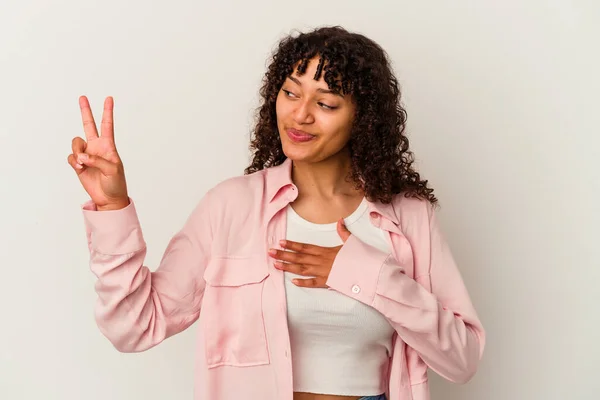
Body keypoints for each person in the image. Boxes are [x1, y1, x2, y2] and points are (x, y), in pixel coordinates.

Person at [68, 26, 485, 400]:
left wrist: (370, 276)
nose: (300, 114)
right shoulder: (230, 206)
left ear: (363, 119)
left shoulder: (408, 216)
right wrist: (112, 207)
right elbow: (135, 327)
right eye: (290, 93)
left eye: (326, 102)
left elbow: (463, 359)